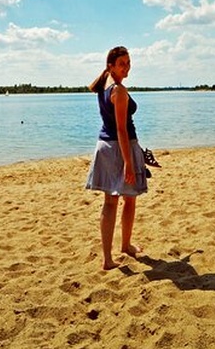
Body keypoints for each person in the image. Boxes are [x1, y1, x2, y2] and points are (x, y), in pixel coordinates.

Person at [84, 46, 149, 270]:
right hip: (119, 148)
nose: (127, 67)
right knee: (126, 199)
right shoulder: (118, 91)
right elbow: (121, 129)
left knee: (112, 201)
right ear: (110, 65)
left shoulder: (104, 85)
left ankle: (118, 251)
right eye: (122, 63)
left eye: (129, 62)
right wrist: (129, 163)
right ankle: (116, 253)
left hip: (104, 146)